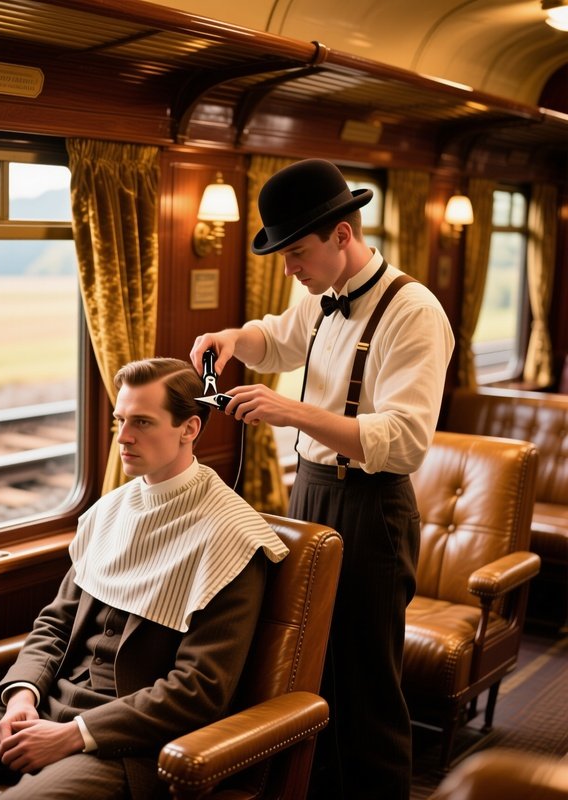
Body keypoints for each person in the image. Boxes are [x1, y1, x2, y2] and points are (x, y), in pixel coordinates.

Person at [0, 357, 289, 800]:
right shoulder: (109, 511)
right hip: (48, 704)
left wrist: (74, 734)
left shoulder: (232, 537)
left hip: (130, 743)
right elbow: (56, 623)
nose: (123, 437)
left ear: (189, 428)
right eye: (120, 420)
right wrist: (23, 696)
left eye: (142, 422)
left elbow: (198, 690)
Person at [190, 159, 455, 800]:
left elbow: (405, 440)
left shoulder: (414, 312)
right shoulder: (317, 294)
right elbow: (278, 341)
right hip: (308, 492)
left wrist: (293, 412)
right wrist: (232, 338)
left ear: (342, 234)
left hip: (372, 505)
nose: (288, 269)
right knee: (312, 668)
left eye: (296, 252)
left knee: (366, 683)